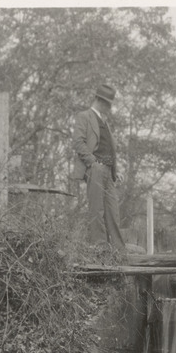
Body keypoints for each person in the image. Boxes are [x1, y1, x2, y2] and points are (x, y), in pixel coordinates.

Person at [70, 84, 125, 252]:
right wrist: (93, 162)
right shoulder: (84, 116)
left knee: (113, 212)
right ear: (101, 101)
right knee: (97, 210)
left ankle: (119, 251)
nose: (110, 107)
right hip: (96, 169)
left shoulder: (104, 122)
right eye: (108, 103)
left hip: (109, 172)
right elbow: (78, 142)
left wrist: (116, 169)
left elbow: (108, 147)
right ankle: (100, 248)